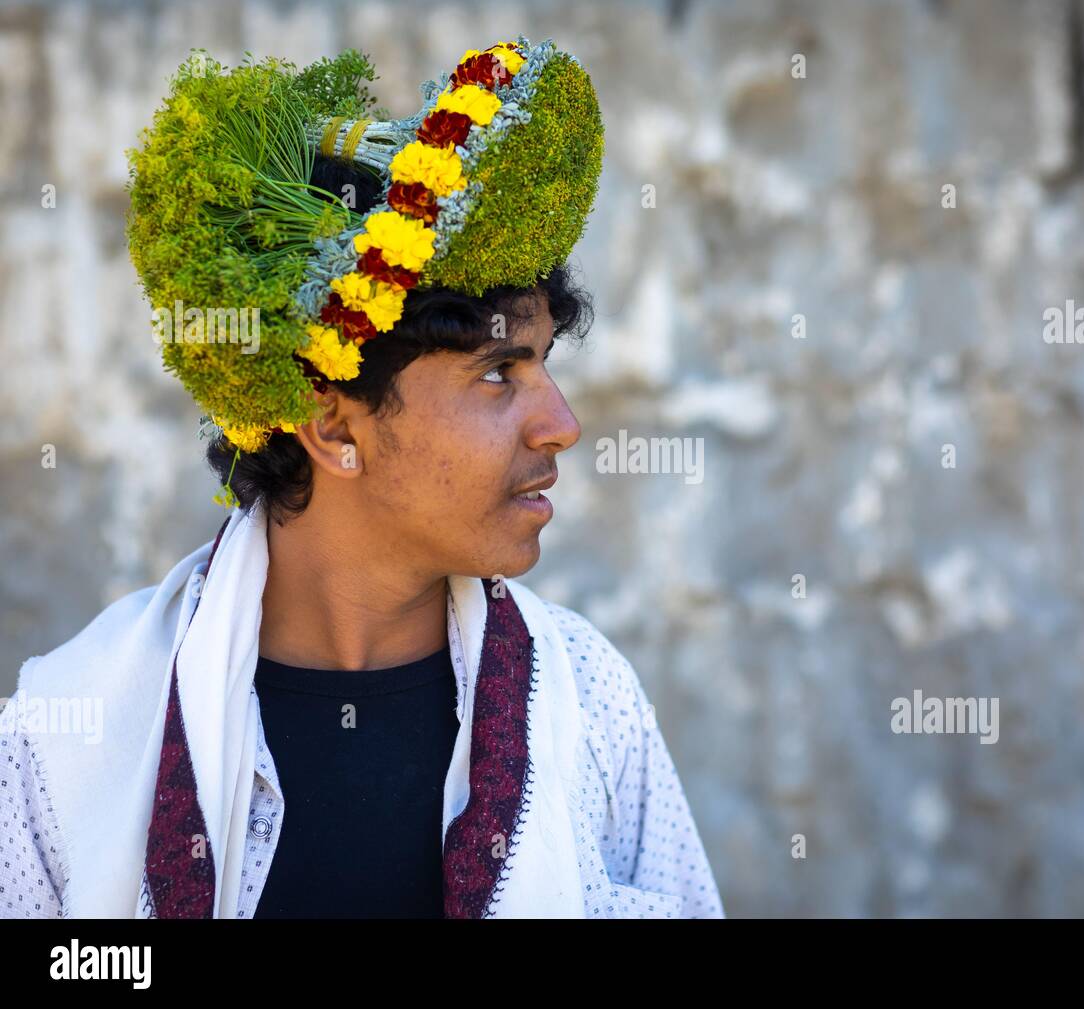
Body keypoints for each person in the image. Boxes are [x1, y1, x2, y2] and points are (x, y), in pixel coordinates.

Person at [0, 36, 723, 919]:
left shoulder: (589, 705)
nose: (562, 425)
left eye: (544, 364)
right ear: (334, 425)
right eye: (499, 373)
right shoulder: (75, 736)